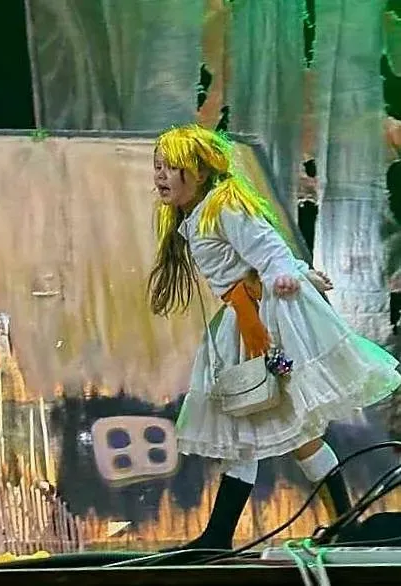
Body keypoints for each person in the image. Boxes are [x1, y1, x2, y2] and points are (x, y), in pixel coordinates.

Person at [149, 124, 401, 551]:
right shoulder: (197, 214)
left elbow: (267, 246)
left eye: (172, 166)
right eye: (157, 166)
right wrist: (299, 274)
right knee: (266, 430)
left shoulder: (223, 205)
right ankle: (233, 534)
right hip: (243, 317)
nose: (161, 174)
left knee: (274, 426)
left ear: (201, 171)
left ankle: (229, 535)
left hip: (264, 321)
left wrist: (288, 273)